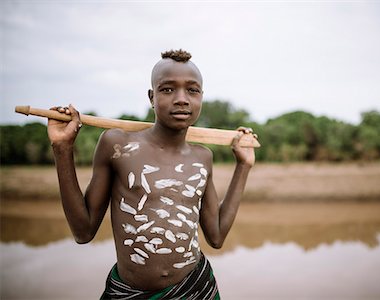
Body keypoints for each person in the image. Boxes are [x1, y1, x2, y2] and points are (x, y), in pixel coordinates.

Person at [47, 49, 255, 299]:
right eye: (168, 89)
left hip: (196, 290)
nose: (181, 99)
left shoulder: (202, 157)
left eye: (192, 90)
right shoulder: (118, 145)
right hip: (130, 293)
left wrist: (243, 166)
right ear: (151, 96)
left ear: (201, 97)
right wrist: (62, 148)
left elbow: (217, 236)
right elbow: (83, 232)